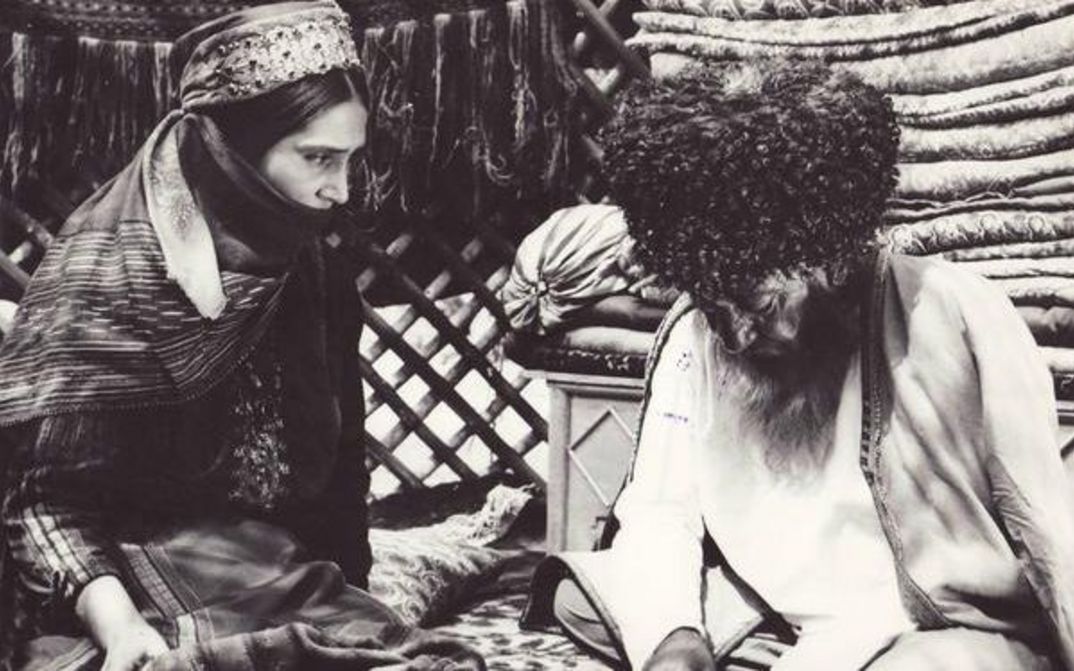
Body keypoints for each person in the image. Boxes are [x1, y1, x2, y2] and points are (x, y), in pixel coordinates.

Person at [523, 61, 1074, 671]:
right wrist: (673, 639)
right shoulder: (694, 332)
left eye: (758, 303)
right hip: (775, 615)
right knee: (584, 594)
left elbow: (1045, 529)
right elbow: (659, 509)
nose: (733, 333)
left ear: (831, 263)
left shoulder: (957, 313)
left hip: (928, 625)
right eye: (712, 303)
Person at [0, 2, 482, 669]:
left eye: (350, 161)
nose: (339, 189)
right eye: (318, 158)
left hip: (265, 562)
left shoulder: (309, 263)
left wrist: (356, 610)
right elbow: (42, 503)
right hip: (118, 571)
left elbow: (341, 471)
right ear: (233, 150)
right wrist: (118, 627)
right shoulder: (108, 271)